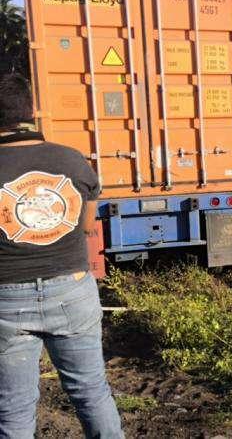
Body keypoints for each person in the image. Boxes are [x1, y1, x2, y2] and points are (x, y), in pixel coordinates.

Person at [0, 77, 123, 438]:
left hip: (6, 302)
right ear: (31, 112)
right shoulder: (70, 159)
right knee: (91, 393)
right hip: (71, 291)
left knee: (14, 410)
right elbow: (86, 226)